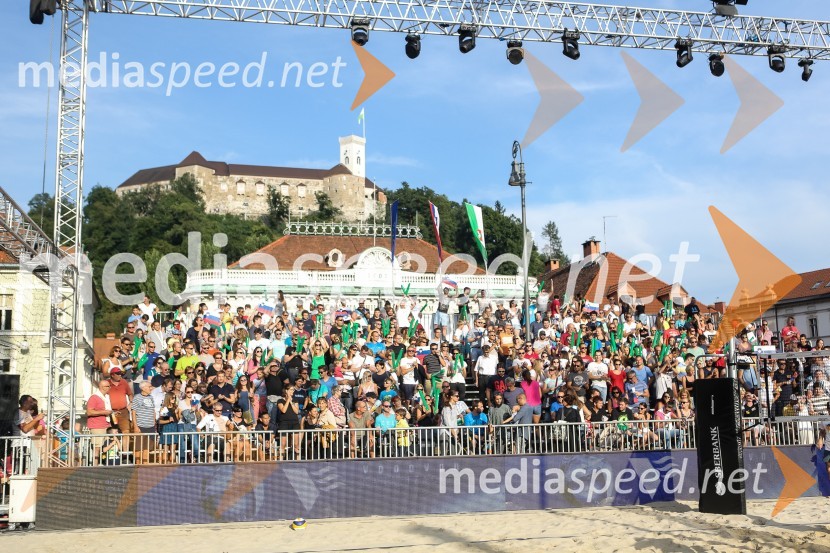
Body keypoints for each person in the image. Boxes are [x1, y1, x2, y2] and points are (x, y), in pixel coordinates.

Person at [131, 381, 157, 465]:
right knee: (138, 447)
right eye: (149, 387)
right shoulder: (137, 397)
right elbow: (133, 412)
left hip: (150, 426)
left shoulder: (151, 397)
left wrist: (154, 423)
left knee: (147, 447)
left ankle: (145, 465)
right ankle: (138, 465)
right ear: (143, 388)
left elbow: (153, 411)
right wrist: (135, 426)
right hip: (140, 426)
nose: (151, 388)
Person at [86, 380, 113, 465]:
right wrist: (104, 412)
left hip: (105, 424)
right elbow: (89, 412)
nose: (110, 388)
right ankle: (95, 465)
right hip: (97, 426)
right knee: (97, 447)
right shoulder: (94, 397)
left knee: (104, 446)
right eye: (108, 386)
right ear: (102, 387)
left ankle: (101, 463)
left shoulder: (106, 397)